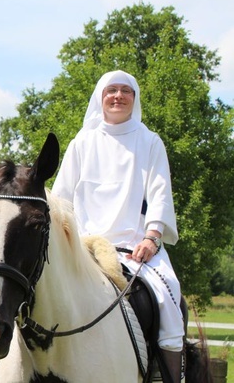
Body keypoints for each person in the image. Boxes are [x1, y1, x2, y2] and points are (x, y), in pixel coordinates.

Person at [51, 70, 184, 382]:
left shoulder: (150, 142)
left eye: (126, 91)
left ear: (134, 99)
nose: (118, 96)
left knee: (169, 298)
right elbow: (60, 201)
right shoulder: (82, 143)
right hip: (83, 250)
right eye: (112, 90)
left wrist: (152, 237)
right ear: (101, 97)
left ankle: (166, 376)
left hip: (136, 251)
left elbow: (160, 192)